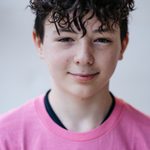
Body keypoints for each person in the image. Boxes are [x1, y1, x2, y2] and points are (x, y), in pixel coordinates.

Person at [0, 0, 150, 149]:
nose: (84, 58)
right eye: (65, 39)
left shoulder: (145, 136)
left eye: (102, 40)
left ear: (123, 45)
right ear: (39, 43)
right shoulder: (5, 137)